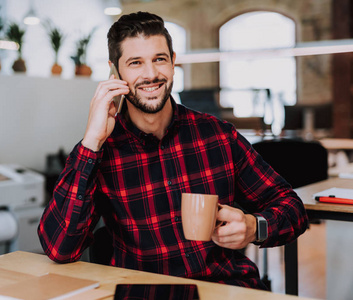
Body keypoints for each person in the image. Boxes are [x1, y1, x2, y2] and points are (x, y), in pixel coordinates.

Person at [38, 11, 308, 290]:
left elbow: (293, 208)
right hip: (145, 294)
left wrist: (254, 227)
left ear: (173, 61)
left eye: (159, 59)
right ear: (114, 72)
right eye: (135, 63)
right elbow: (59, 248)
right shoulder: (101, 149)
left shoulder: (217, 135)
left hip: (226, 290)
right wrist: (91, 142)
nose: (151, 74)